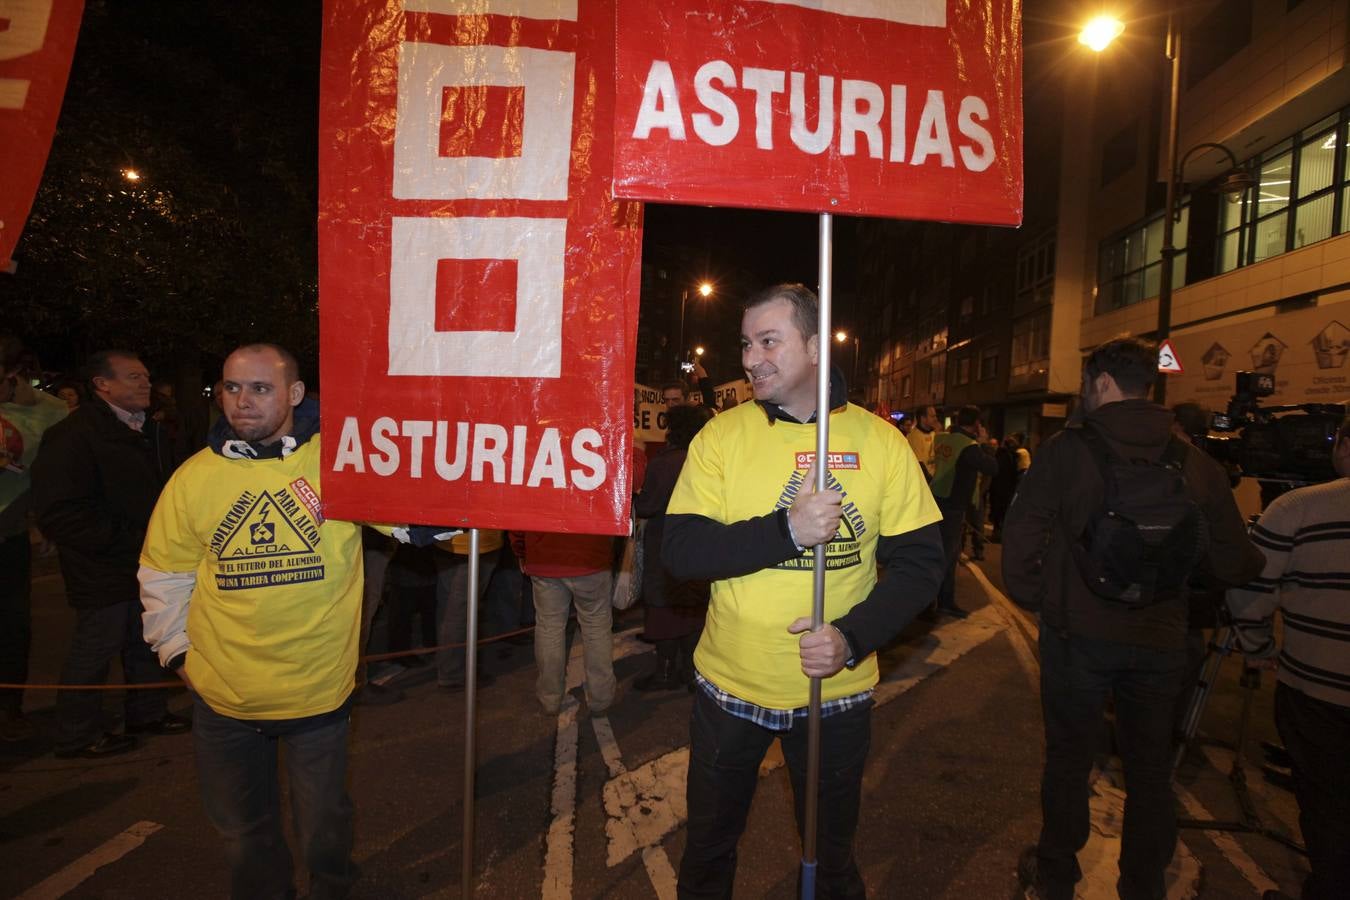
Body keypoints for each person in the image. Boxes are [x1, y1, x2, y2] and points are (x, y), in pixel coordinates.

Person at [663, 283, 945, 899]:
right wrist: (786, 530)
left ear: (815, 346)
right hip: (729, 688)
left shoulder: (881, 442)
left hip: (834, 696)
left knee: (831, 857)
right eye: (746, 343)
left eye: (769, 341)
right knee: (708, 852)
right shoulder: (721, 436)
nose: (750, 357)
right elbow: (680, 551)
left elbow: (924, 567)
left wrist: (852, 638)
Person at [1002, 337, 1264, 900]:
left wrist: (1042, 599)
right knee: (1149, 771)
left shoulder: (1065, 452)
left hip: (1078, 637)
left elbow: (1021, 540)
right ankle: (1142, 885)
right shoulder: (1193, 461)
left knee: (1070, 760)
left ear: (1100, 383)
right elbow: (1234, 561)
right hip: (1161, 640)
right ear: (1149, 386)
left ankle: (1056, 878)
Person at [139, 343, 372, 898]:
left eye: (260, 388)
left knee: (324, 831)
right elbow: (164, 573)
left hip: (317, 693)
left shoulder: (341, 463)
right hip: (224, 699)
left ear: (294, 394)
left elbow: (416, 519)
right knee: (245, 837)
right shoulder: (194, 478)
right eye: (232, 387)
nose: (241, 401)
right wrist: (177, 655)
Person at [32, 349, 188, 758]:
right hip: (101, 565)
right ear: (102, 385)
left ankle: (147, 713)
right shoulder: (73, 436)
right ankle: (75, 734)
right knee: (95, 650)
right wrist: (127, 539)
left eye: (146, 376)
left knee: (144, 640)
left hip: (143, 560)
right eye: (134, 377)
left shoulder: (147, 430)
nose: (145, 384)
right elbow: (60, 512)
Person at [1227, 416, 1350, 900]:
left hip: (1319, 692)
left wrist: (1257, 648)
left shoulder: (1300, 507)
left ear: (1342, 445)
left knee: (1328, 808)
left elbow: (1250, 589)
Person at [0, 335, 69, 741]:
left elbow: (54, 476)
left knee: (12, 626)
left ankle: (10, 709)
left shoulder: (50, 413)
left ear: (11, 375)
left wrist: (49, 522)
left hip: (8, 536)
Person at [633, 405, 711, 691]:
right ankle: (691, 673)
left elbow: (648, 505)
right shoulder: (706, 458)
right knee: (693, 608)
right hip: (700, 542)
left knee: (664, 609)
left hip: (664, 545)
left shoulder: (664, 463)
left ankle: (665, 672)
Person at [515, 530, 617, 715]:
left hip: (543, 555)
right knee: (596, 626)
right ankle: (601, 697)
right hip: (591, 554)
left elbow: (519, 517)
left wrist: (521, 549)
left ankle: (550, 698)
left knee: (549, 627)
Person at [930, 405, 998, 618]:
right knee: (948, 557)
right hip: (953, 506)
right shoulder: (969, 446)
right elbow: (992, 468)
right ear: (977, 424)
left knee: (937, 554)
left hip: (936, 500)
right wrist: (986, 443)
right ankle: (943, 602)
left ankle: (932, 603)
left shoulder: (942, 438)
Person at [433, 529, 503, 691]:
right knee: (460, 611)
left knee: (448, 606)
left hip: (446, 538)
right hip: (474, 543)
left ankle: (449, 666)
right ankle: (452, 674)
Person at [906, 403, 940, 479]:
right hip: (924, 480)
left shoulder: (933, 433)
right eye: (932, 416)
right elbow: (919, 464)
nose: (936, 419)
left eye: (935, 416)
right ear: (923, 418)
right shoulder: (914, 436)